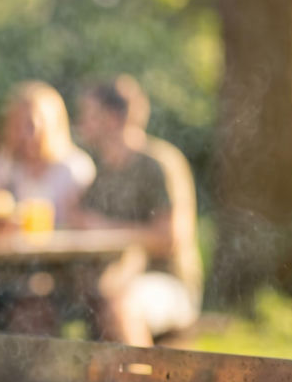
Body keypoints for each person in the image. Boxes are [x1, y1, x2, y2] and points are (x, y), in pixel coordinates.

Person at [71, 77, 203, 347]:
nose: (80, 122)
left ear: (111, 118)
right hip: (108, 281)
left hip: (168, 284)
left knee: (119, 303)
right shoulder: (101, 171)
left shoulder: (158, 164)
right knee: (35, 303)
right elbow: (79, 221)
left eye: (87, 114)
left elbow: (169, 238)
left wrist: (102, 228)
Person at [0, 80, 95, 228]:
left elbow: (83, 222)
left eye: (30, 126)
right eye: (16, 125)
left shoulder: (75, 169)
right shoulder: (5, 164)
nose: (24, 135)